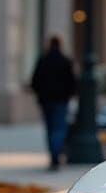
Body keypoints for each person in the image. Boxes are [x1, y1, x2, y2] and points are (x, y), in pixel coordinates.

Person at [30, 36, 77, 169]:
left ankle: (53, 155)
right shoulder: (65, 61)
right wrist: (68, 95)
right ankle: (56, 155)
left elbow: (34, 81)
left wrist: (40, 93)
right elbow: (72, 82)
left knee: (50, 129)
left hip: (46, 101)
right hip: (61, 101)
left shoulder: (43, 60)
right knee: (59, 128)